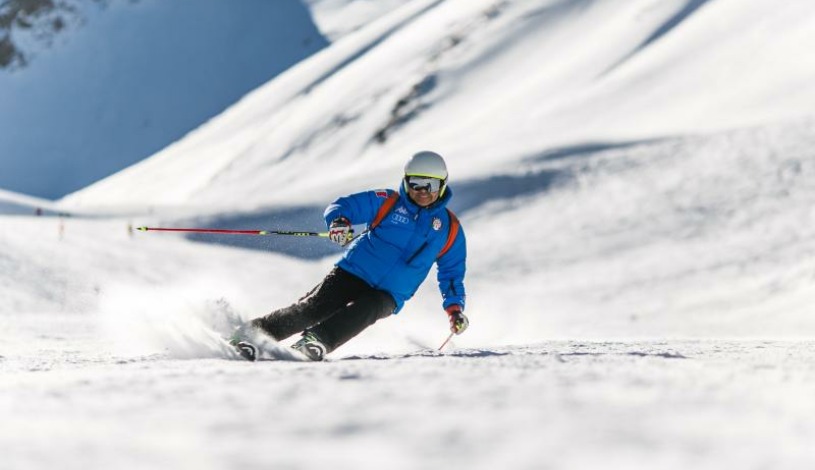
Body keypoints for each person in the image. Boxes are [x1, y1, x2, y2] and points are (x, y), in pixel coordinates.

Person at [231, 150, 468, 361]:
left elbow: (451, 274)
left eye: (431, 185)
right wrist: (340, 222)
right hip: (354, 271)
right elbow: (344, 206)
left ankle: (316, 341)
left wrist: (455, 309)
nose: (423, 192)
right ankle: (250, 335)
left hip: (391, 293)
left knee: (367, 310)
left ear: (442, 185)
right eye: (416, 184)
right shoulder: (389, 202)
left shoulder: (450, 229)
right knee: (313, 308)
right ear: (406, 182)